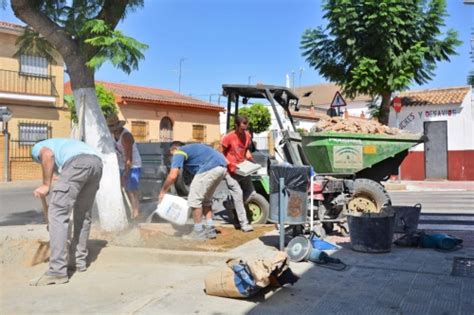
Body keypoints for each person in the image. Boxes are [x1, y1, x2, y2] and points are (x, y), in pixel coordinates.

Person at [30, 138, 103, 286]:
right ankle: (77, 261)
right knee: (83, 215)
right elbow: (67, 167)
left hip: (77, 163)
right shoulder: (64, 144)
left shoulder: (38, 147)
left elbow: (47, 156)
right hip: (96, 164)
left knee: (57, 213)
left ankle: (57, 271)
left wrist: (46, 184)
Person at [159, 142, 227, 240]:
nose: (172, 157)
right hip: (222, 167)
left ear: (174, 149)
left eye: (171, 154)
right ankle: (210, 229)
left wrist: (162, 192)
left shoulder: (179, 151)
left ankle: (198, 232)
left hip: (209, 168)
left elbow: (173, 175)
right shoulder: (193, 149)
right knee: (206, 200)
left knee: (195, 201)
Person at [221, 116, 255, 232]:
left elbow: (245, 150)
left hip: (242, 168)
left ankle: (230, 205)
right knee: (238, 194)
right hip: (230, 171)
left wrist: (248, 155)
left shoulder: (247, 135)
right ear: (236, 125)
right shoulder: (228, 137)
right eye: (242, 128)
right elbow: (220, 153)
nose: (244, 130)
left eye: (246, 127)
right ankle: (244, 224)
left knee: (251, 193)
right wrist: (228, 164)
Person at [106, 113, 142, 220]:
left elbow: (129, 158)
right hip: (121, 165)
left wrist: (126, 174)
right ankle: (127, 211)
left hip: (133, 165)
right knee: (122, 188)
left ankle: (136, 213)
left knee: (131, 189)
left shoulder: (126, 136)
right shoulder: (113, 135)